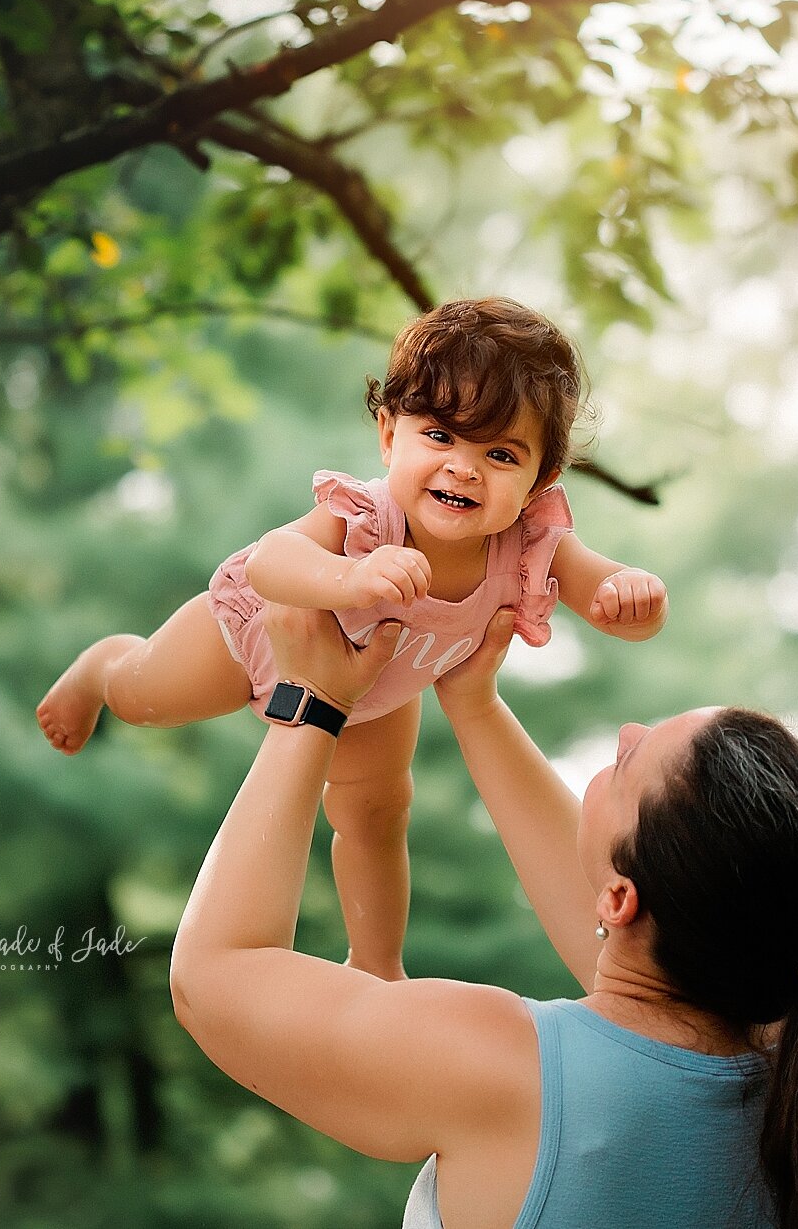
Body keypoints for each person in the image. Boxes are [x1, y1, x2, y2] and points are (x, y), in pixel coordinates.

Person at [169, 600, 798, 1229]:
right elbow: (632, 967)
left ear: (623, 900)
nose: (628, 729)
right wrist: (474, 701)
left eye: (633, 756)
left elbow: (216, 977)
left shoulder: (505, 1068)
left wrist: (309, 704)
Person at [38, 298, 668, 981]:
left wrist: (632, 596)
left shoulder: (530, 543)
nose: (463, 467)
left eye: (500, 452)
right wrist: (352, 574)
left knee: (378, 811)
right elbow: (270, 562)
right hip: (257, 633)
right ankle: (101, 665)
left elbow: (608, 592)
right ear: (389, 435)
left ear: (539, 480)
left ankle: (376, 963)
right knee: (142, 695)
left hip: (375, 688)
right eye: (440, 436)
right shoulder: (367, 515)